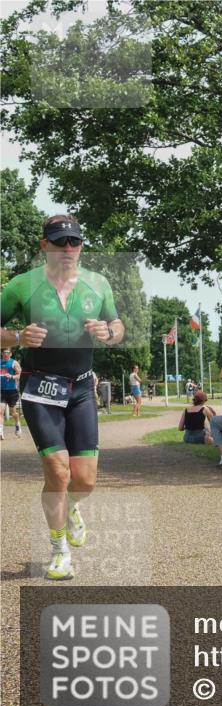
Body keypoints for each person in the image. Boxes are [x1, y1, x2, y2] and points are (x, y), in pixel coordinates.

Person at [0, 214, 126, 580]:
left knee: (84, 480)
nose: (68, 249)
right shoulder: (21, 287)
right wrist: (18, 337)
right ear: (44, 246)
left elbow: (117, 326)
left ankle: (72, 507)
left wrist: (109, 332)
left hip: (82, 388)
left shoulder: (98, 283)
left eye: (74, 242)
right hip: (40, 387)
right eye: (59, 242)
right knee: (57, 471)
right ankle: (59, 550)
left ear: (82, 246)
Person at [0, 347, 22, 440]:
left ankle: (17, 424)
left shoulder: (14, 363)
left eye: (7, 352)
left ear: (11, 354)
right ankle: (0, 432)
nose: (6, 354)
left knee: (13, 413)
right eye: (4, 352)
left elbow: (19, 374)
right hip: (1, 390)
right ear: (2, 354)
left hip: (12, 391)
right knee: (1, 411)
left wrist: (12, 376)